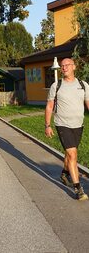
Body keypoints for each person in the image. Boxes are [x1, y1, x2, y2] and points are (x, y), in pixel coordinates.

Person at [45, 58, 89, 201]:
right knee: (72, 154)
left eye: (67, 65)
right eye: (62, 66)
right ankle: (78, 189)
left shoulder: (83, 85)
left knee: (70, 154)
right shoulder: (56, 85)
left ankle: (64, 173)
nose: (64, 68)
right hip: (62, 124)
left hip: (78, 124)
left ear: (74, 67)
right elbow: (50, 106)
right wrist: (48, 125)